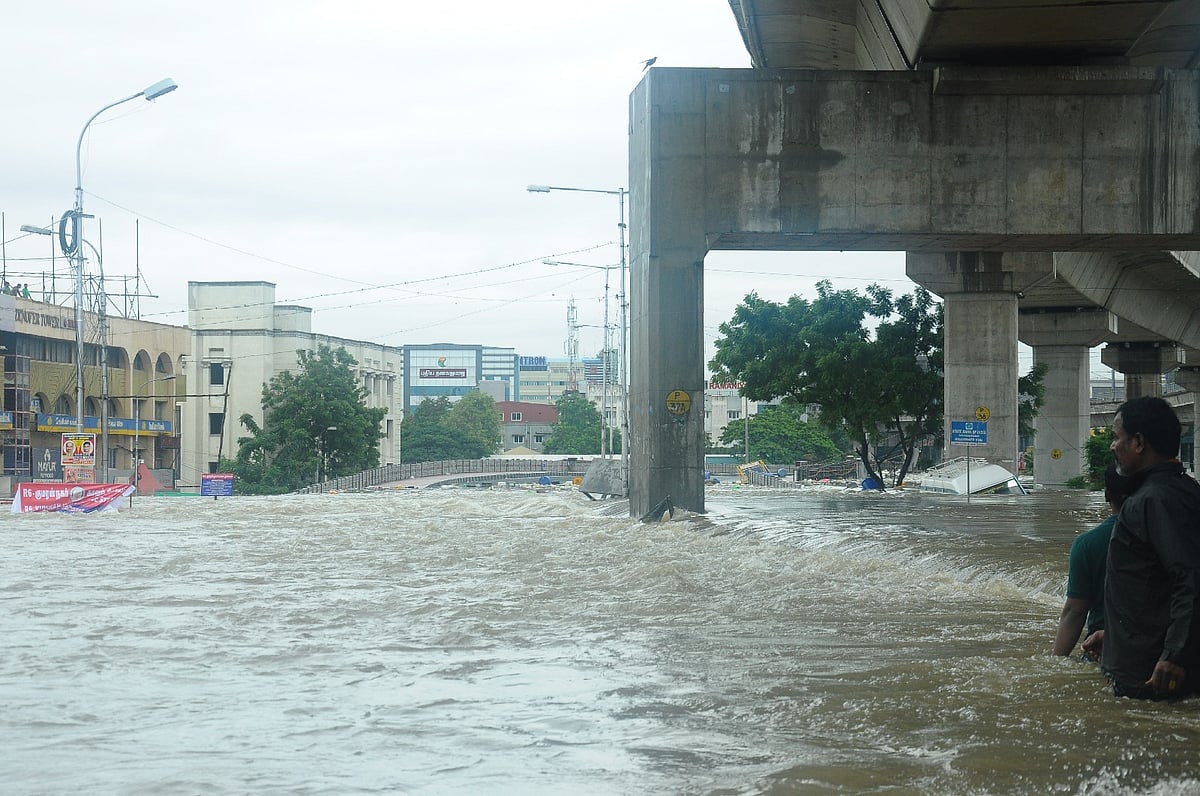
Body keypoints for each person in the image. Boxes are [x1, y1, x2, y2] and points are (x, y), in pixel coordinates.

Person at [1083, 395, 1200, 699]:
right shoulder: (1184, 492)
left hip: (1154, 675)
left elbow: (1189, 578)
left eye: (1116, 438)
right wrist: (1118, 635)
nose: (1113, 447)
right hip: (1151, 658)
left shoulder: (1153, 500)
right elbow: (1155, 587)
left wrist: (1175, 653)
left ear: (1138, 442)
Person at [1052, 464, 1133, 657]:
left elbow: (1075, 612)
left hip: (1103, 650)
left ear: (1107, 495)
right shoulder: (1170, 536)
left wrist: (1056, 663)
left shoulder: (1087, 544)